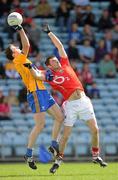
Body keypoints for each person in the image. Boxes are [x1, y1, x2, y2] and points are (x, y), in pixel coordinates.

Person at [27, 25, 107, 173]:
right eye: (53, 61)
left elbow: (60, 46)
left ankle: (95, 156)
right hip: (70, 105)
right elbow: (37, 75)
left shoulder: (65, 64)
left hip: (84, 101)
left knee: (95, 130)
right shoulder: (49, 75)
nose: (56, 61)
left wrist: (50, 33)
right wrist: (29, 66)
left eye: (56, 60)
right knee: (65, 136)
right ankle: (58, 161)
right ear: (48, 65)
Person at [5, 24, 64, 170]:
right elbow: (26, 44)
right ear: (13, 54)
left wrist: (44, 74)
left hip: (43, 92)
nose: (18, 48)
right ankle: (28, 154)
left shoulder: (22, 60)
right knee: (40, 125)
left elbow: (36, 74)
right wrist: (20, 29)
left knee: (60, 117)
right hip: (35, 93)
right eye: (15, 48)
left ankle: (53, 144)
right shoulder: (18, 60)